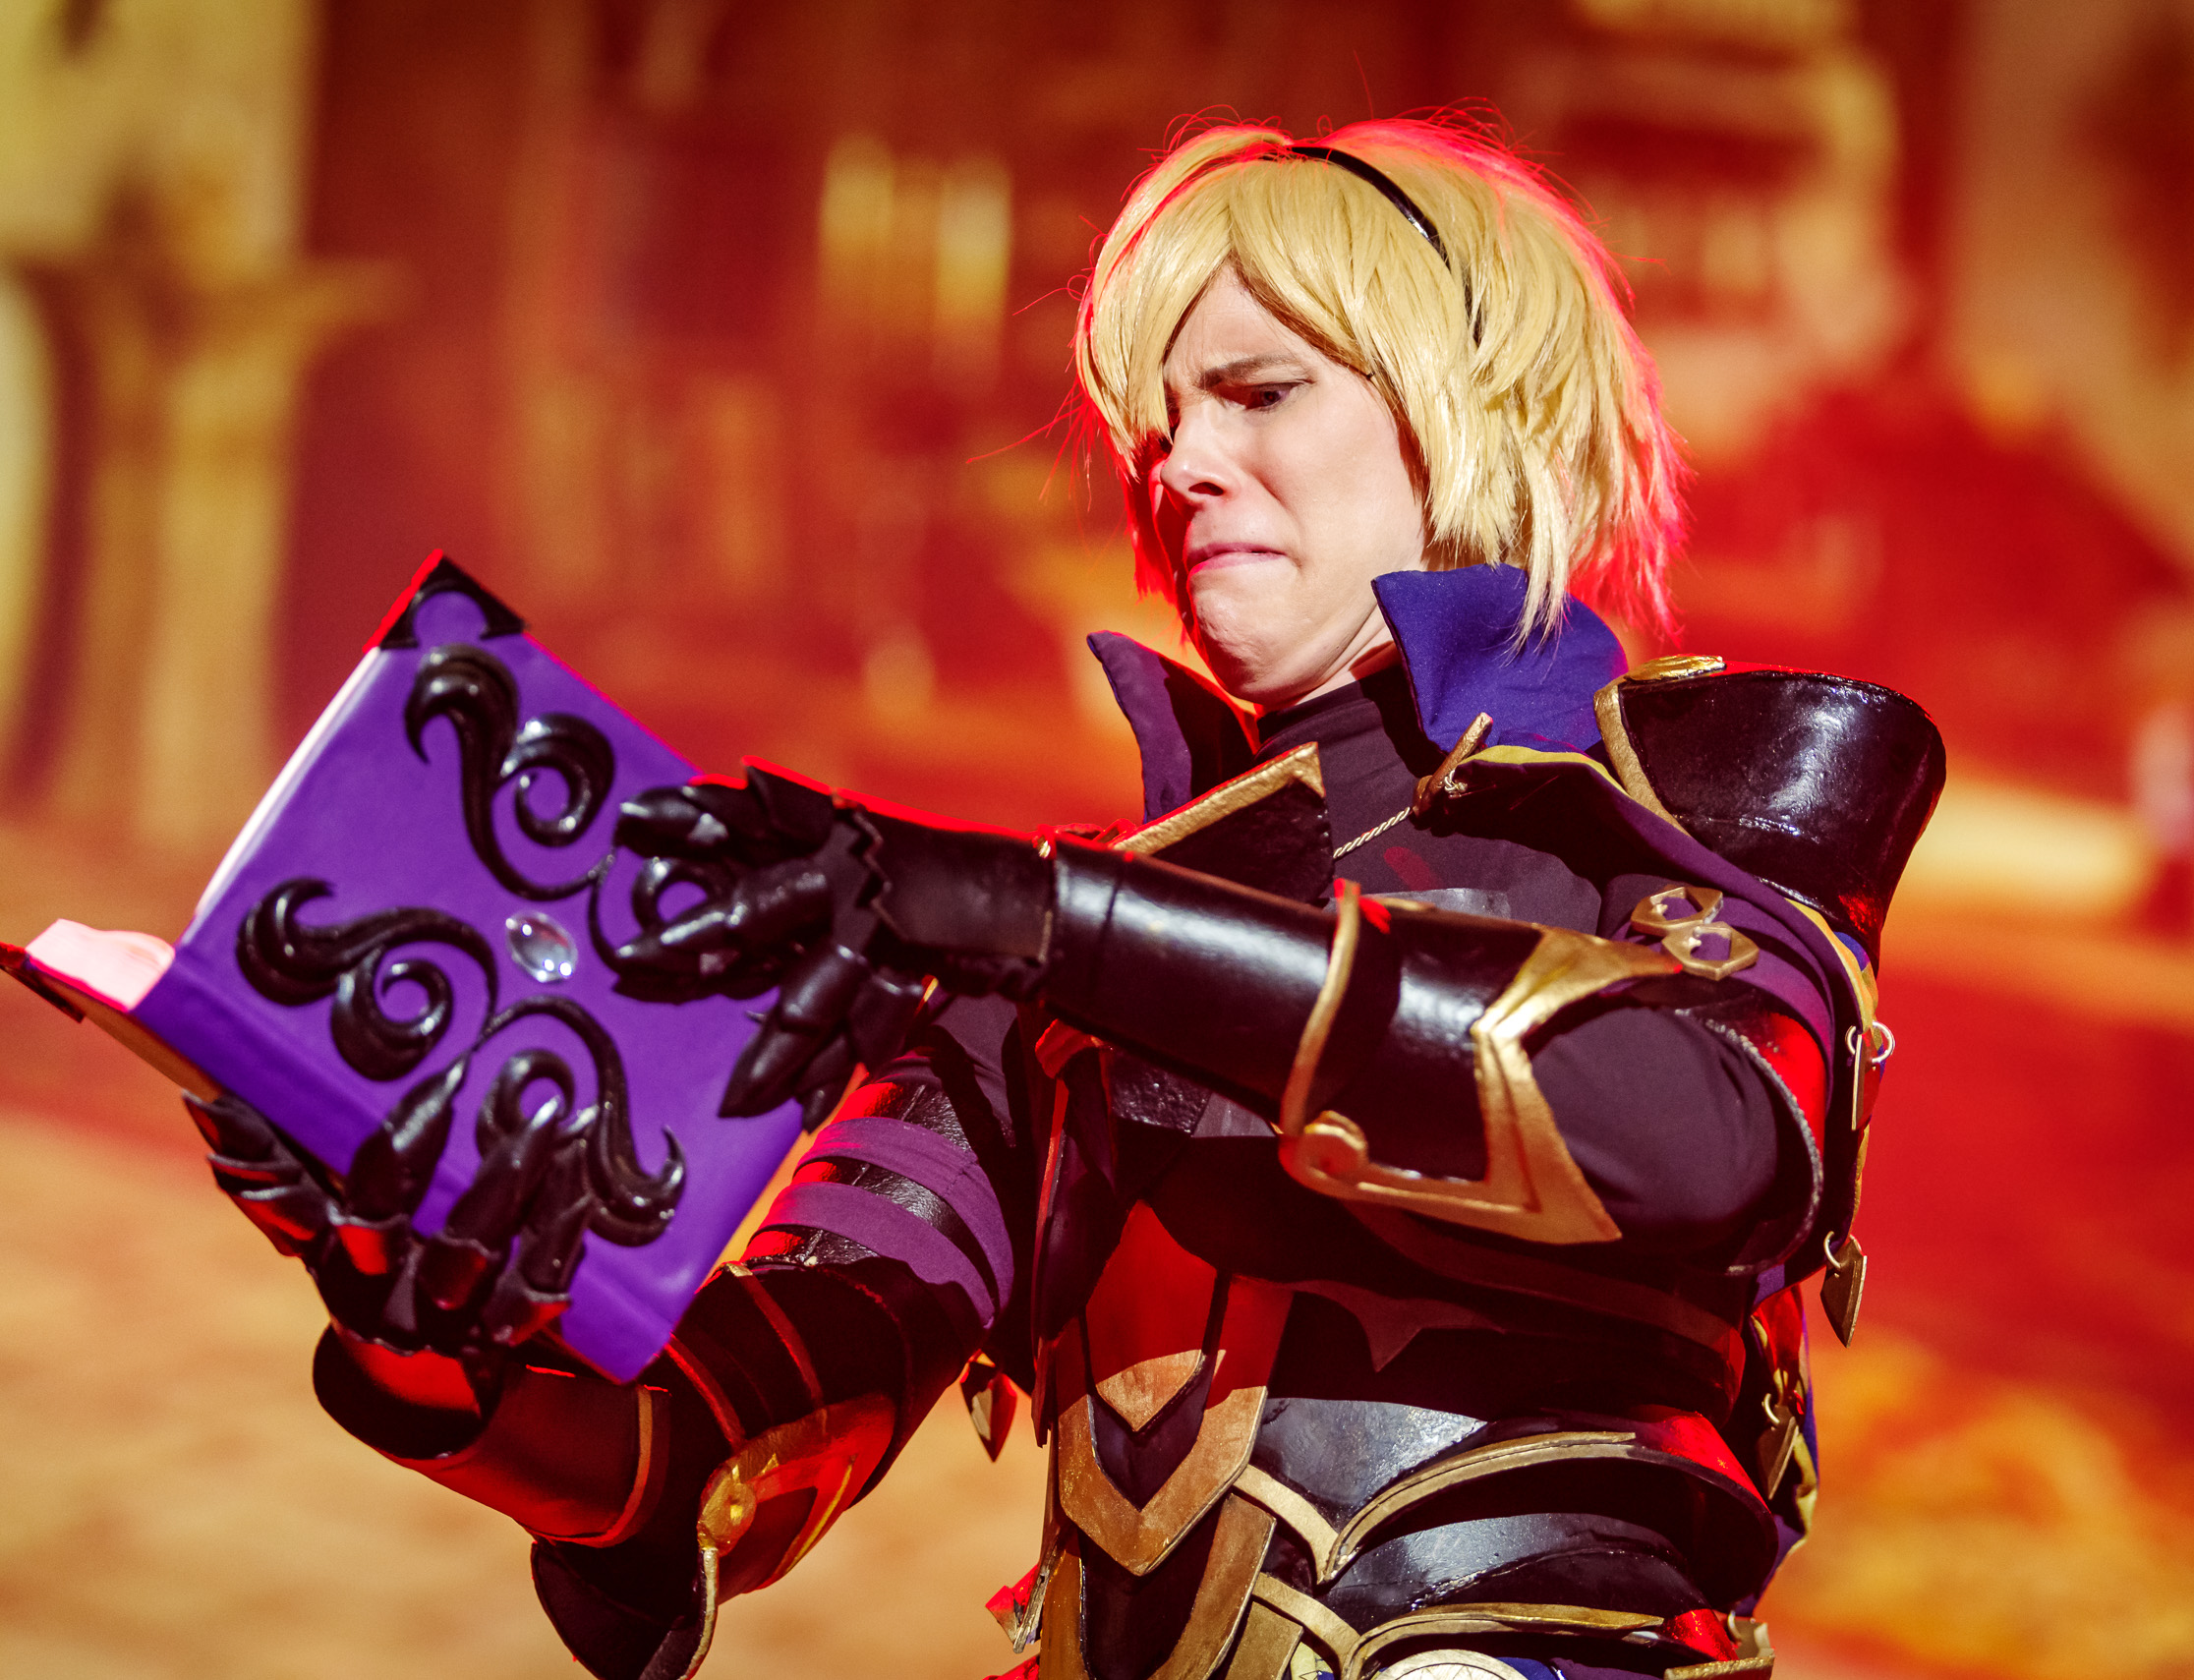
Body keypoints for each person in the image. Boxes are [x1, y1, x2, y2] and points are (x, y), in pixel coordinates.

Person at [197, 118, 1943, 1680]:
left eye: (1262, 392)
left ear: (1470, 406)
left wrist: (1044, 919)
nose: (1179, 465)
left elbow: (1711, 1135)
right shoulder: (1051, 947)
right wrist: (451, 1352)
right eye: (1160, 422)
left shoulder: (1689, 815)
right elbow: (735, 1440)